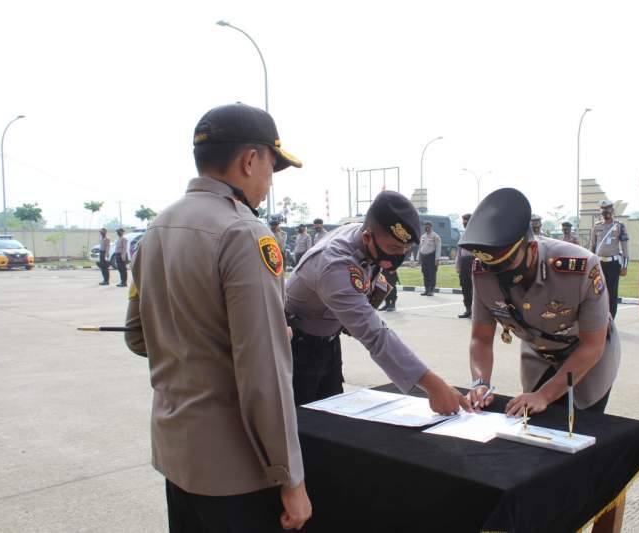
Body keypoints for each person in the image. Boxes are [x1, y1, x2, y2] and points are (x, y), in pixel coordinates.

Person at [124, 103, 312, 531]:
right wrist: (291, 479)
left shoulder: (155, 231)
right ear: (250, 159)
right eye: (271, 166)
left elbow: (137, 337)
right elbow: (264, 373)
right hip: (235, 470)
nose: (268, 181)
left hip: (177, 454)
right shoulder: (246, 235)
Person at [285, 190, 470, 415]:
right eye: (393, 248)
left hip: (328, 342)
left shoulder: (368, 240)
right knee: (303, 424)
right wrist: (433, 385)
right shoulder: (335, 264)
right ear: (367, 237)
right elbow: (375, 335)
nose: (399, 255)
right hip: (299, 349)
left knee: (331, 420)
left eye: (405, 249)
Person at [461, 188, 620, 416]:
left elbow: (592, 346)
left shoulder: (581, 268)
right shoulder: (483, 273)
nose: (498, 275)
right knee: (535, 424)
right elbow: (480, 339)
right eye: (492, 268)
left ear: (532, 249)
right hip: (538, 358)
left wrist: (545, 395)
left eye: (506, 266)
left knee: (580, 428)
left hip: (587, 359)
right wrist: (480, 383)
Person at [589, 200, 629, 318]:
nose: (606, 212)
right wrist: (590, 263)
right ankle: (599, 319)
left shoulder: (619, 226)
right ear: (600, 211)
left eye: (608, 209)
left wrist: (625, 266)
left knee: (612, 293)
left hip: (613, 264)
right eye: (603, 210)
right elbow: (592, 246)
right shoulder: (597, 227)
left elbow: (625, 248)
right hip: (599, 263)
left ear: (612, 210)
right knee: (597, 291)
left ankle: (611, 320)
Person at [455, 213, 474, 318]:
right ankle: (468, 309)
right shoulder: (462, 235)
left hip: (474, 261)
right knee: (465, 287)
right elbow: (459, 251)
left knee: (474, 288)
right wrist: (458, 265)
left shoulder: (477, 233)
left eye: (467, 220)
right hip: (464, 263)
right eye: (463, 220)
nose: (464, 222)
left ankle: (476, 311)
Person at [419, 221, 441, 296]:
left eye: (428, 226)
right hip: (423, 257)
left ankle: (431, 290)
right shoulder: (423, 236)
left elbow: (438, 248)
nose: (426, 228)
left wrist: (437, 259)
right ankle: (426, 289)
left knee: (432, 274)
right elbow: (420, 247)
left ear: (431, 227)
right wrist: (418, 258)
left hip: (431, 257)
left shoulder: (435, 236)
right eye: (425, 226)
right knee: (425, 274)